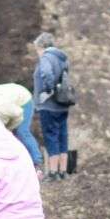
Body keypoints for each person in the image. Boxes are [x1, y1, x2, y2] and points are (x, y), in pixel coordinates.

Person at [31, 33, 73, 180]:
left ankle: (53, 172)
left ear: (41, 47)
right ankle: (63, 171)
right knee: (62, 135)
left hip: (49, 105)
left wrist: (49, 90)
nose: (37, 53)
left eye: (37, 49)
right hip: (63, 104)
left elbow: (47, 73)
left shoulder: (46, 58)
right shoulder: (62, 58)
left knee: (51, 136)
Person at [0, 82, 44, 170]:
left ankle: (37, 161)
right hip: (6, 99)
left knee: (21, 131)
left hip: (23, 100)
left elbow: (18, 115)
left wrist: (9, 129)